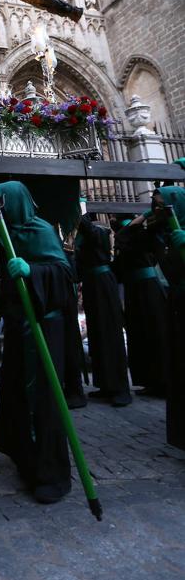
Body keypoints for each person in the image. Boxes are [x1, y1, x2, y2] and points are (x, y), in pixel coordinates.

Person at [0, 182, 78, 504]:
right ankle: (25, 456)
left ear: (14, 202)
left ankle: (51, 473)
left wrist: (33, 271)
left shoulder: (40, 229)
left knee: (43, 395)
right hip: (19, 321)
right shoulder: (4, 229)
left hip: (43, 324)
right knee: (18, 390)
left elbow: (63, 274)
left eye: (2, 200)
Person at [128, 187, 185, 449]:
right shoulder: (159, 232)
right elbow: (128, 239)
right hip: (176, 303)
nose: (157, 209)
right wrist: (144, 218)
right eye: (155, 204)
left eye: (162, 205)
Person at [75, 214, 131, 407]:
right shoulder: (86, 236)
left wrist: (76, 209)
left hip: (102, 285)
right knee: (98, 334)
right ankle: (105, 384)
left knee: (110, 333)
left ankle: (120, 387)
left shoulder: (98, 232)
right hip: (92, 285)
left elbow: (87, 228)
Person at [113, 217, 168, 396]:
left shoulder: (140, 238)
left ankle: (163, 381)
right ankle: (152, 381)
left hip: (148, 292)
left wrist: (141, 219)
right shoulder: (130, 242)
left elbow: (123, 235)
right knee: (141, 336)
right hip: (135, 292)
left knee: (155, 334)